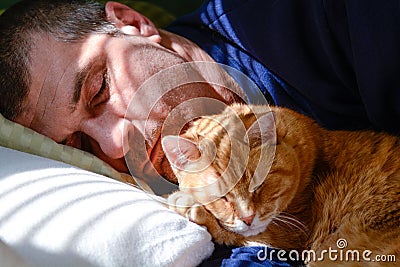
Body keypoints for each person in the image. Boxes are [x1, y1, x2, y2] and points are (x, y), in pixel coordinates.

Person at [1, 0, 400, 184]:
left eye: (100, 89)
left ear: (133, 23)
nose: (116, 145)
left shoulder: (320, 17)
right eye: (80, 145)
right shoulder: (160, 210)